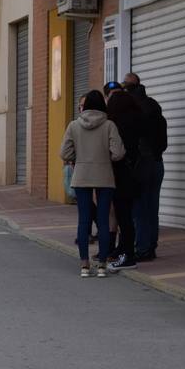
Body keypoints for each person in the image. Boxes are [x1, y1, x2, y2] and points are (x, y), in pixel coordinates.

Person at [61, 89, 124, 278]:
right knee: (103, 220)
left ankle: (84, 265)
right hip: (104, 175)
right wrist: (107, 158)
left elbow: (64, 153)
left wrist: (76, 158)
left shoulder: (74, 125)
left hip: (81, 176)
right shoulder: (109, 125)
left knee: (84, 221)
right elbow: (119, 152)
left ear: (85, 105)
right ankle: (103, 265)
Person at [122, 72, 167, 262]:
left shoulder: (132, 109)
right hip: (157, 163)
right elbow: (163, 142)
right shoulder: (155, 108)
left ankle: (141, 248)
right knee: (152, 207)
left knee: (139, 208)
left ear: (127, 88)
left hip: (141, 164)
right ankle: (151, 247)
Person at [105, 84, 145, 272]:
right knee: (130, 214)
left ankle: (127, 256)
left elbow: (116, 152)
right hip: (137, 172)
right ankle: (125, 250)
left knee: (124, 216)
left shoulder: (115, 125)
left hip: (121, 174)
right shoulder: (139, 120)